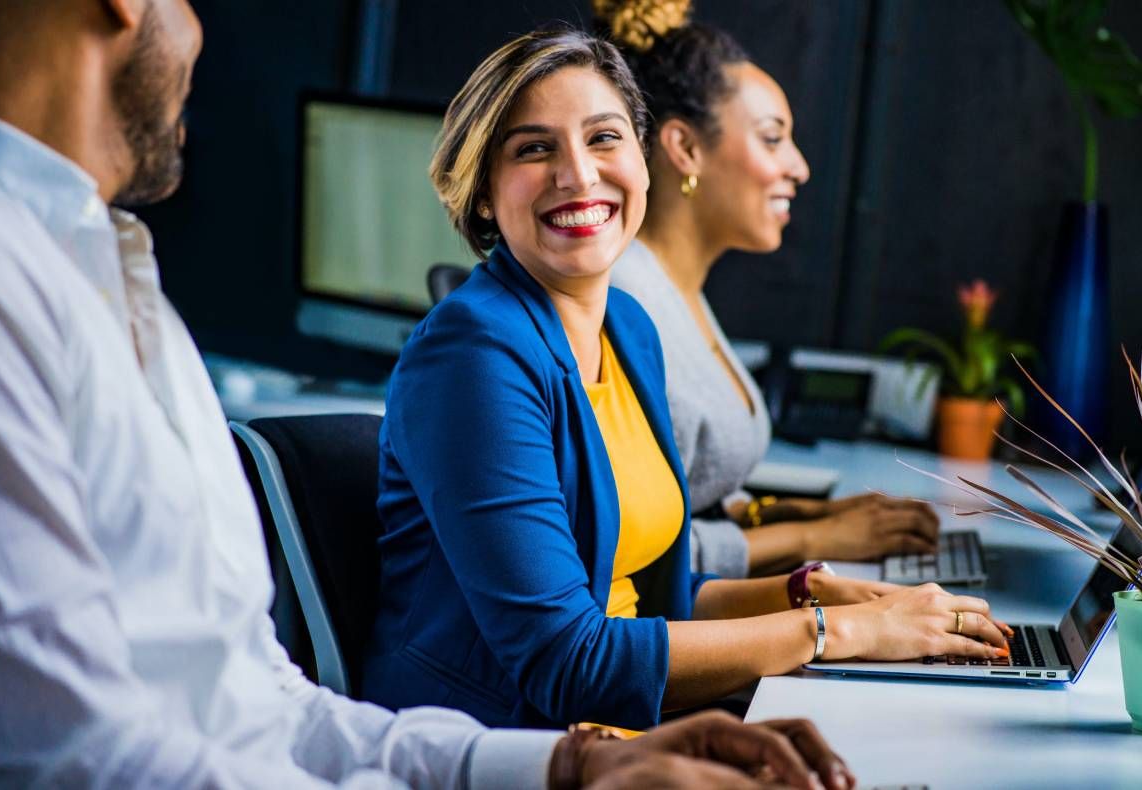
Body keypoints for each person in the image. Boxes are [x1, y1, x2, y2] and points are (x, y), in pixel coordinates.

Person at [0, 2, 854, 787]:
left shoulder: (110, 274)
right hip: (525, 708)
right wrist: (818, 629)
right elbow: (69, 755)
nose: (202, 27)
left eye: (606, 138)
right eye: (537, 149)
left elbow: (262, 703)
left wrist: (569, 770)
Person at [366, 26, 1010, 733]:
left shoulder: (630, 328)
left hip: (626, 728)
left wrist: (810, 594)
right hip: (502, 745)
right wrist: (837, 632)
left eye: (604, 138)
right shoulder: (472, 356)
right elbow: (566, 662)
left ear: (643, 162)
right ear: (485, 193)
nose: (579, 175)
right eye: (534, 148)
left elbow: (652, 601)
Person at [597, 0, 942, 579]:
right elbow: (631, 553)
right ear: (685, 149)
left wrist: (802, 512)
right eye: (772, 139)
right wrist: (813, 536)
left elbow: (689, 491)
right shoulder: (626, 305)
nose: (800, 167)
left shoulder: (677, 290)